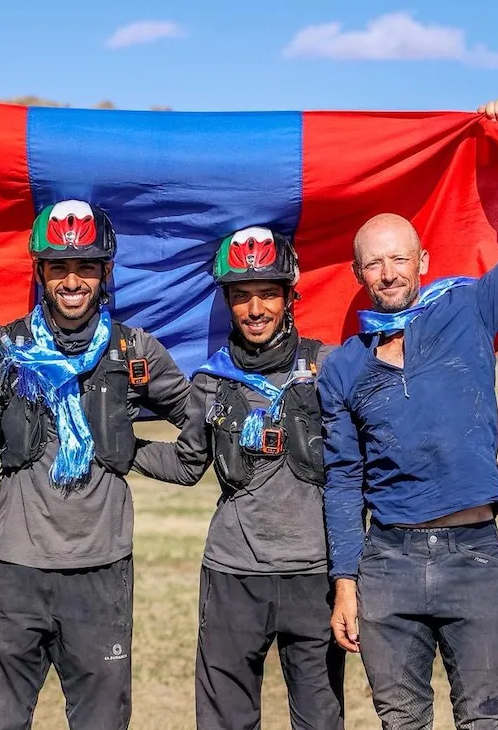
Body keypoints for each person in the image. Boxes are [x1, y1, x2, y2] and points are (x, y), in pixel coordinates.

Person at [319, 99, 498, 729]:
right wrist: (345, 582)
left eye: (399, 257)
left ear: (422, 262)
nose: (388, 271)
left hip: (475, 556)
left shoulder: (470, 311)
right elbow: (345, 481)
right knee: (401, 723)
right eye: (374, 262)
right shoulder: (345, 366)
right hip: (388, 566)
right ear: (358, 274)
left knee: (485, 720)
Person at [0, 200, 193, 730]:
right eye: (59, 267)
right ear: (40, 272)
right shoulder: (2, 348)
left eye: (87, 267)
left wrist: (128, 449)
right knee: (1, 721)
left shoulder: (134, 350)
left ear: (106, 273)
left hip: (101, 570)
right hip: (16, 569)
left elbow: (204, 426)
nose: (72, 280)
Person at [132, 228, 344, 730]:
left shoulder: (329, 368)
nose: (255, 309)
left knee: (320, 719)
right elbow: (188, 465)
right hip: (232, 575)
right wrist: (124, 450)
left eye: (267, 294)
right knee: (225, 719)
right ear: (227, 301)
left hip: (314, 577)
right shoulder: (211, 380)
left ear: (291, 294)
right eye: (241, 296)